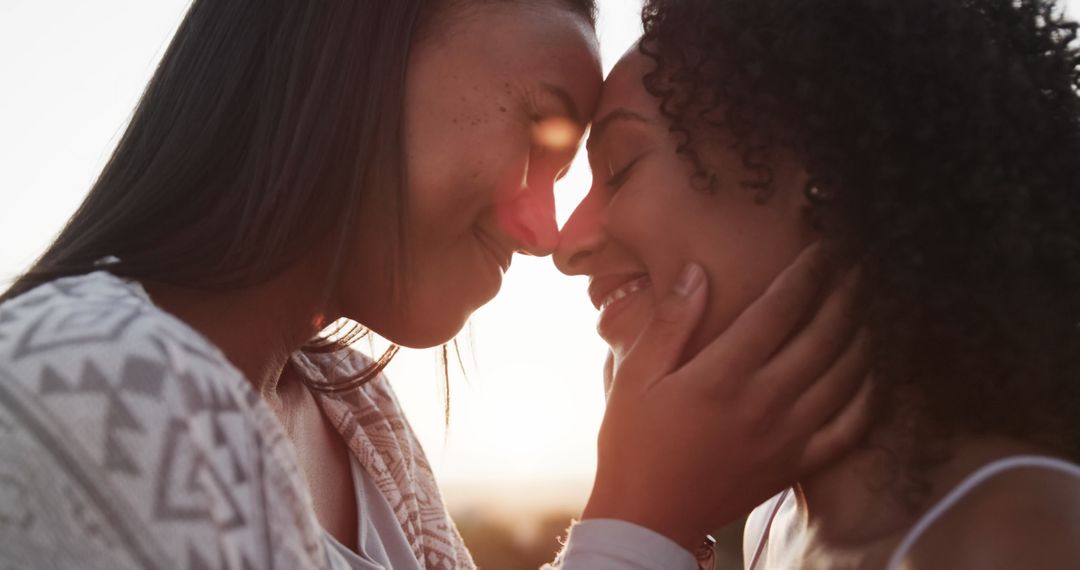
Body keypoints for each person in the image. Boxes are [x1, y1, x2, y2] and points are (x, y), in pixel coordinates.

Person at [0, 1, 869, 569]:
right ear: (354, 43)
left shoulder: (363, 438)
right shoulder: (97, 380)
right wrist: (641, 522)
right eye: (541, 132)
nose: (544, 234)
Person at [555, 0, 1080, 567]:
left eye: (621, 166)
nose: (568, 244)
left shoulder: (1025, 537)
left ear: (827, 177)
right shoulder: (773, 529)